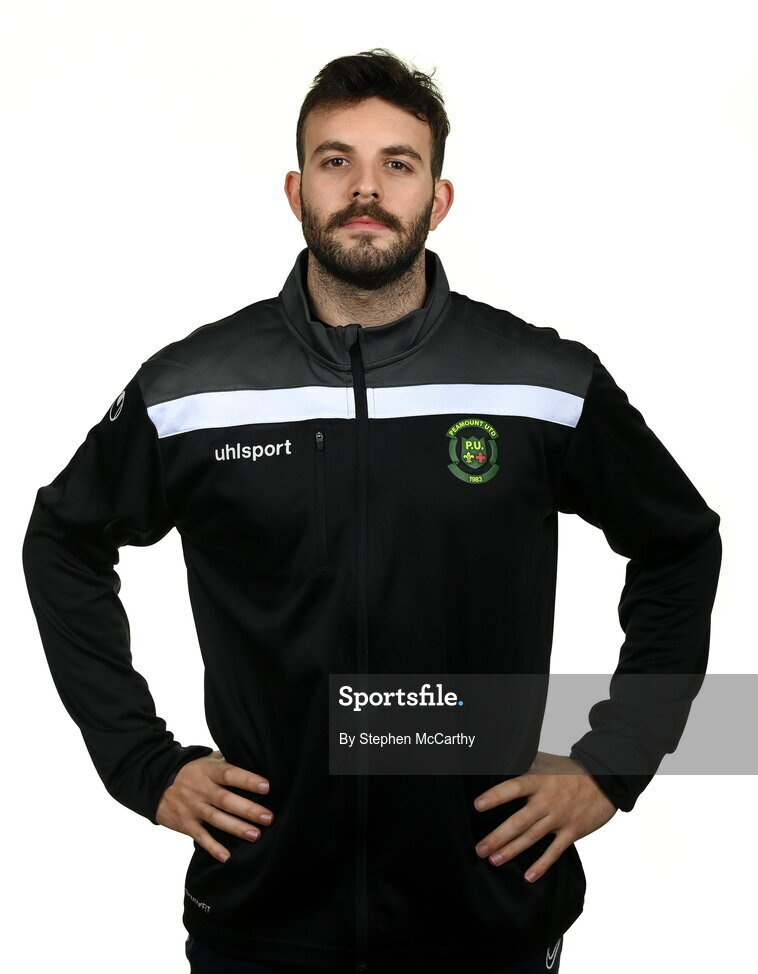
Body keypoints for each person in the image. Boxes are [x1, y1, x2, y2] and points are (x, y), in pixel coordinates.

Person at [22, 48, 721, 974]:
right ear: (294, 189)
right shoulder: (193, 388)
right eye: (335, 159)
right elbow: (62, 542)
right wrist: (141, 761)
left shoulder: (542, 383)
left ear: (438, 199)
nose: (365, 188)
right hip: (260, 915)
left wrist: (615, 761)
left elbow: (680, 543)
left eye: (398, 163)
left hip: (485, 914)